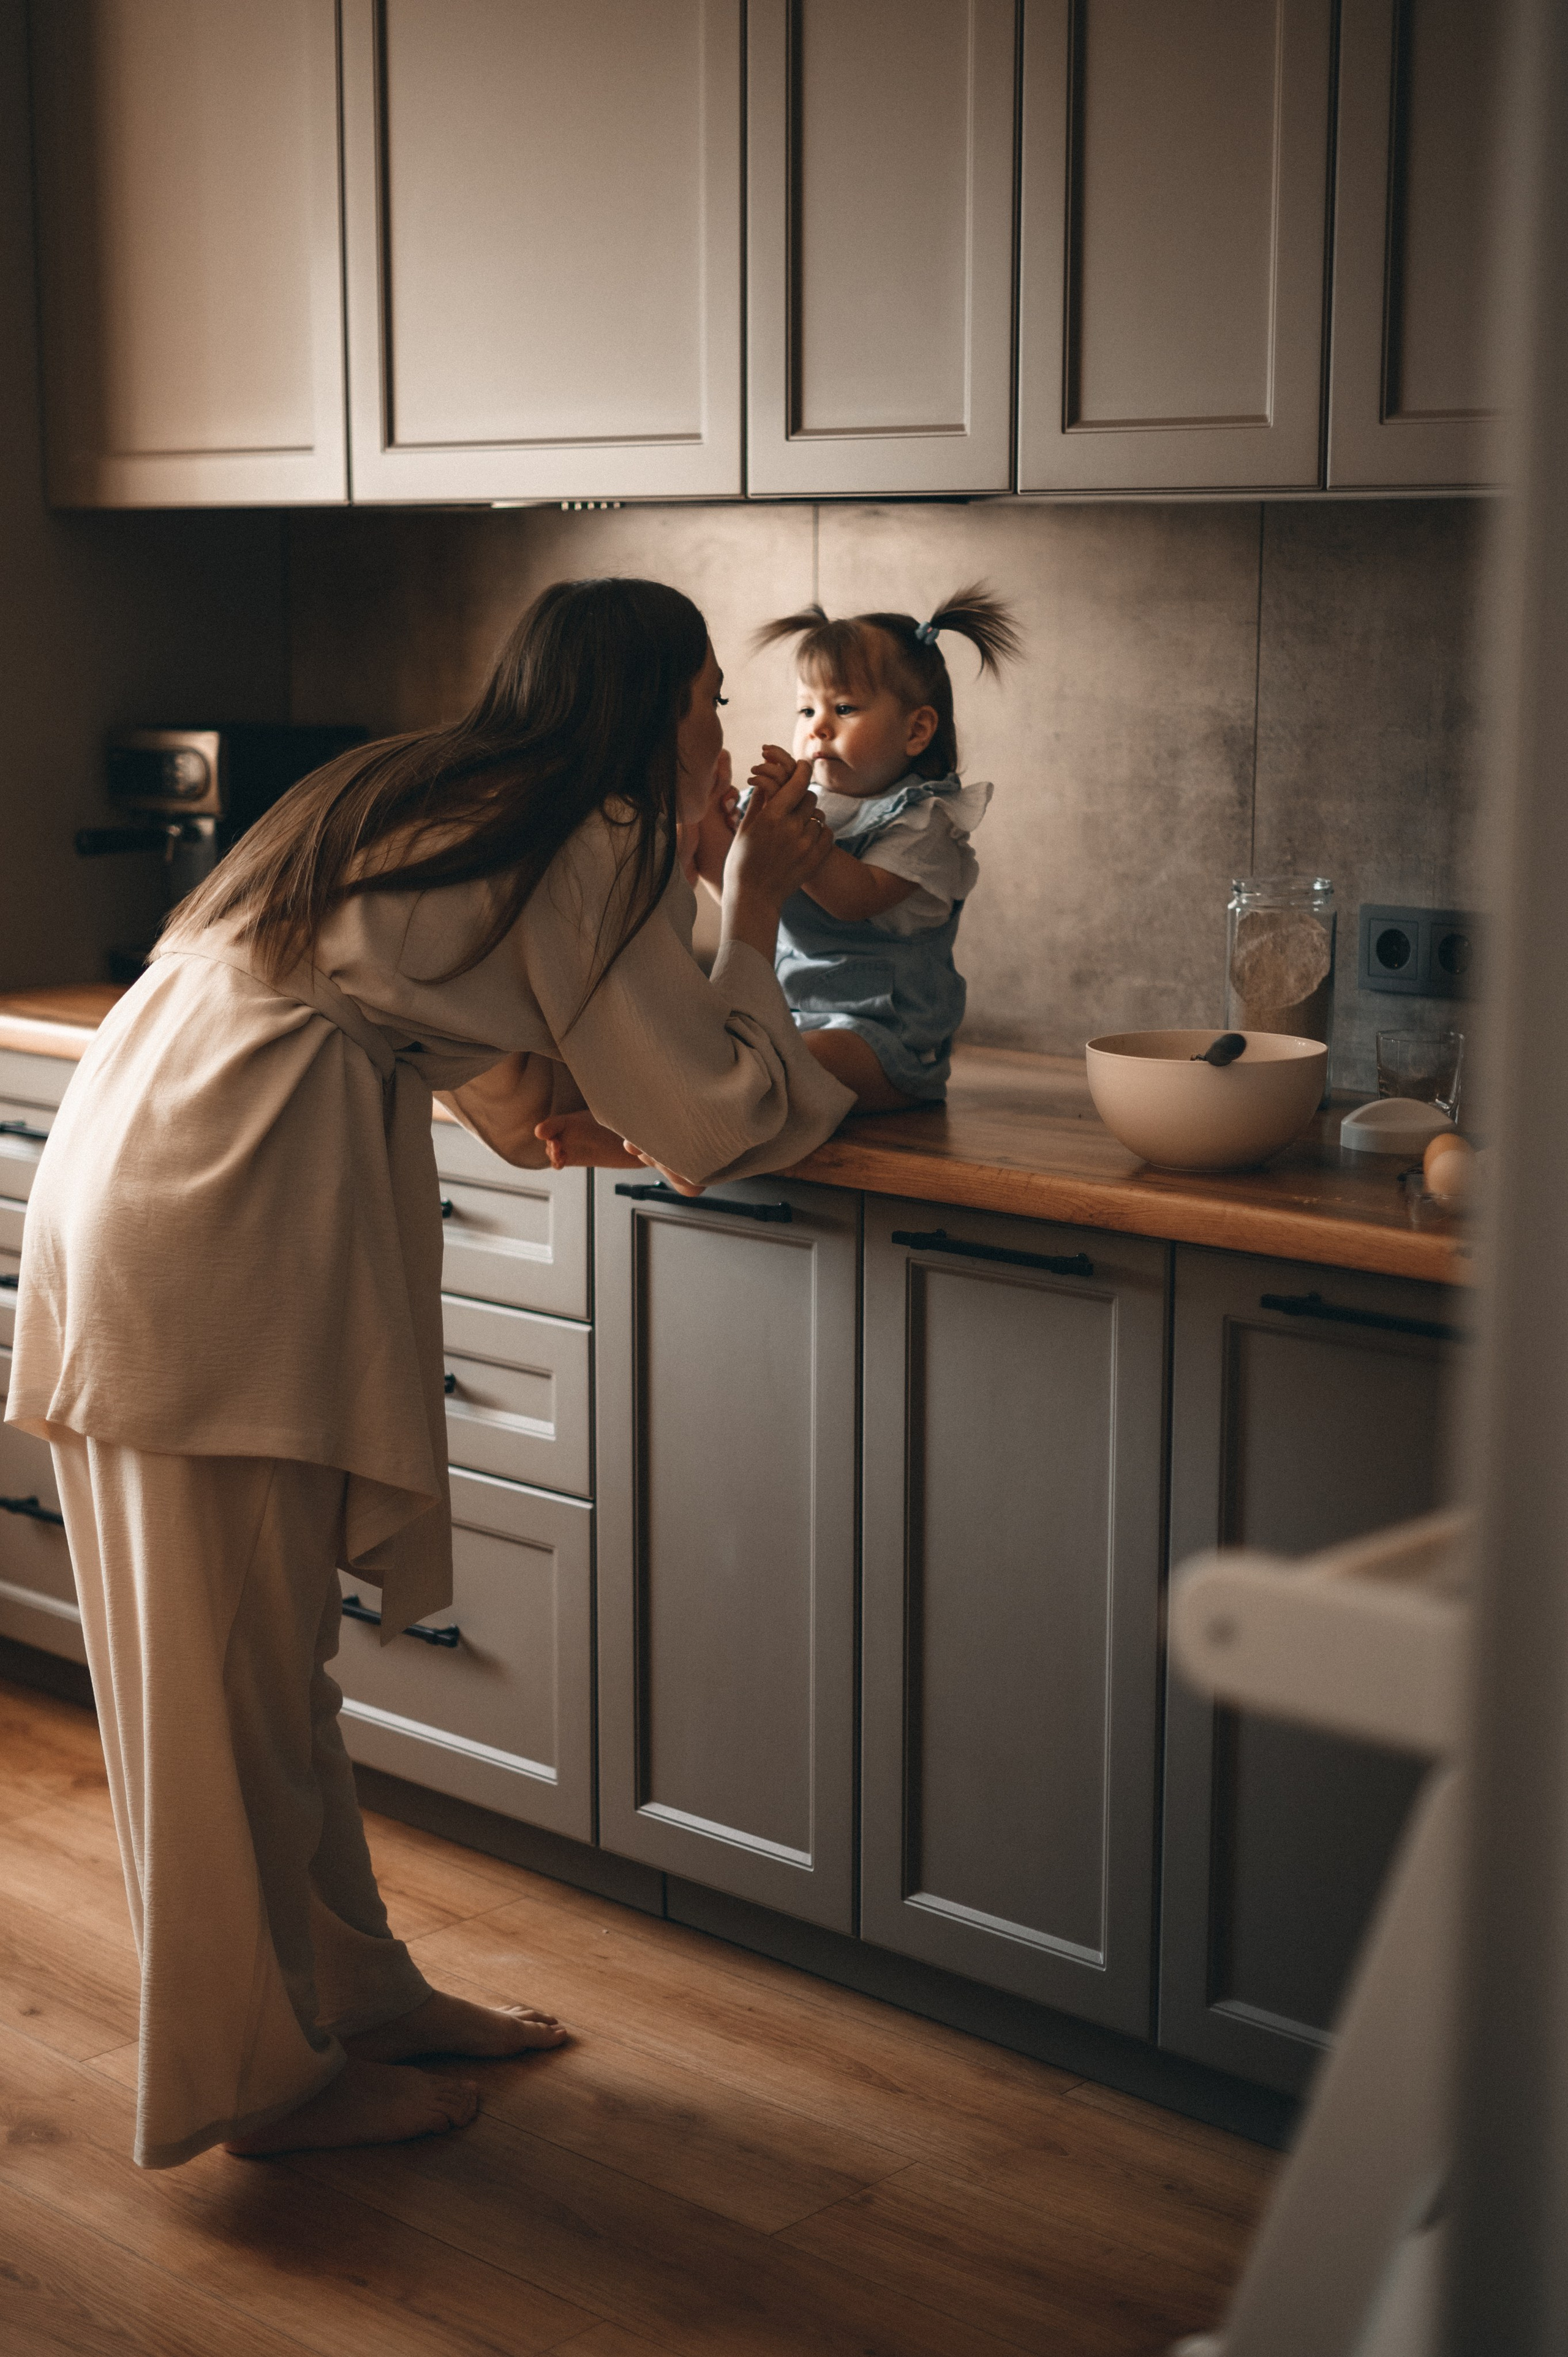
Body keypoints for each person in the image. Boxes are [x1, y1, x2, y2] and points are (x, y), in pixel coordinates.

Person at [5, 578, 849, 2171]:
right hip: (211, 1213)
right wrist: (748, 897)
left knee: (270, 1675)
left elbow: (474, 1058)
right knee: (222, 1697)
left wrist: (597, 1046)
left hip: (170, 1164)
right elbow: (717, 1118)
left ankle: (354, 2001)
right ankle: (255, 2085)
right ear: (657, 703)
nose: (725, 736)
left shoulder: (421, 789)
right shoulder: (586, 838)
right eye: (711, 706)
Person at [537, 584, 1017, 1170]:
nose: (817, 728)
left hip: (884, 1040)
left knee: (787, 1070)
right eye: (806, 709)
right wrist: (719, 817)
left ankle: (646, 1142)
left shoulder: (926, 822)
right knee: (725, 1055)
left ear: (917, 731)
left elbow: (853, 900)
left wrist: (786, 836)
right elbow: (739, 888)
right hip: (786, 1018)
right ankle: (657, 1126)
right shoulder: (813, 805)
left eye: (844, 709)